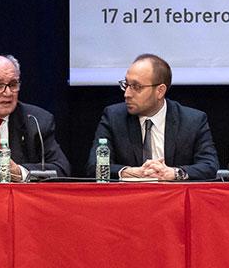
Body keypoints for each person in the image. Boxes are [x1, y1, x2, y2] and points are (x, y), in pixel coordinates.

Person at [86, 54, 219, 180]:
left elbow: (209, 165)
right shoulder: (114, 117)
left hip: (173, 199)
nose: (127, 94)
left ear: (160, 91)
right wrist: (130, 172)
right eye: (126, 85)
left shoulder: (192, 121)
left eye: (136, 87)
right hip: (129, 199)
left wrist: (173, 173)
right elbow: (94, 166)